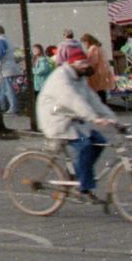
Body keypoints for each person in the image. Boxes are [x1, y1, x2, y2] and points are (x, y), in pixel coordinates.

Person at [39, 42, 120, 199]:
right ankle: (83, 187)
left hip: (72, 119)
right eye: (82, 63)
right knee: (85, 146)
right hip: (56, 120)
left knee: (99, 142)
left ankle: (79, 173)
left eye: (86, 62)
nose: (85, 66)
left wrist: (112, 119)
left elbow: (92, 99)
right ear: (72, 63)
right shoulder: (61, 78)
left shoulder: (79, 78)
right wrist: (94, 118)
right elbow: (73, 100)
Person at [80, 33, 117, 100]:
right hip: (101, 71)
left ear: (88, 41)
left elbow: (93, 61)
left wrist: (86, 68)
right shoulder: (97, 47)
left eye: (85, 42)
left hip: (97, 72)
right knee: (101, 90)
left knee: (98, 91)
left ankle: (101, 105)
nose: (84, 44)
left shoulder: (93, 48)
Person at [0, 25, 16, 113]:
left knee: (8, 88)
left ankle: (13, 107)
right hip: (8, 66)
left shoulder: (1, 41)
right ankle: (1, 106)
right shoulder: (8, 40)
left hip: (5, 67)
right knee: (3, 88)